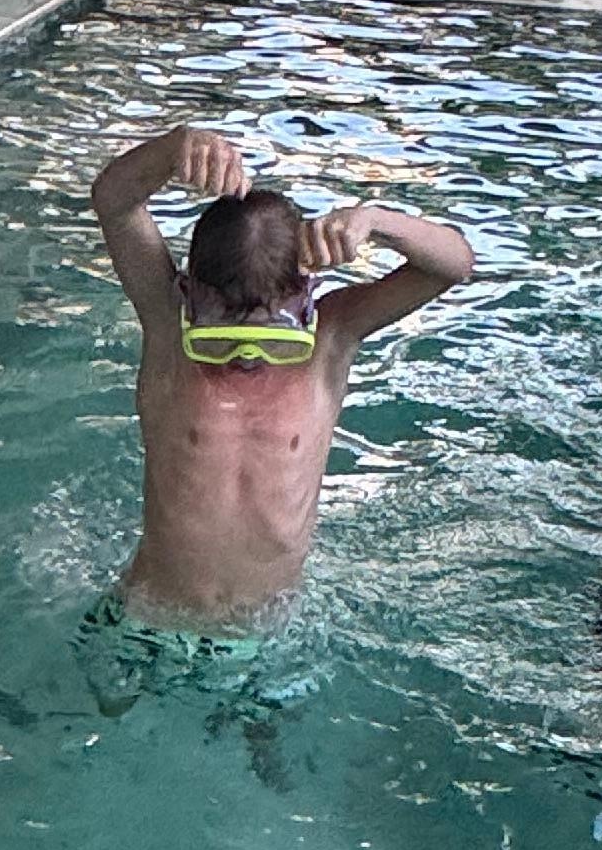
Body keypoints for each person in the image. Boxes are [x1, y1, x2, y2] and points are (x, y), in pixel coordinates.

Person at [88, 124, 474, 623]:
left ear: (304, 302)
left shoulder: (330, 340)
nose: (247, 355)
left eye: (272, 337)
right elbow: (114, 200)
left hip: (263, 631)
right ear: (188, 296)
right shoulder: (168, 330)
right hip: (148, 616)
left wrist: (375, 221)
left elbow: (452, 266)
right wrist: (173, 148)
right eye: (223, 335)